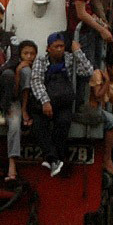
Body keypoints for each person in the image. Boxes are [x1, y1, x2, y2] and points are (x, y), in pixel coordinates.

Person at [29, 33, 94, 178]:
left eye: (62, 46)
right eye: (56, 46)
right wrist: (45, 102)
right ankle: (54, 159)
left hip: (63, 103)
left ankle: (52, 159)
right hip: (44, 103)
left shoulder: (70, 59)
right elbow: (36, 81)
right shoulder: (41, 60)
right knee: (39, 125)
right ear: (48, 48)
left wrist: (77, 52)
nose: (59, 49)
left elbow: (88, 71)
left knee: (63, 122)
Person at [5, 40, 37, 182]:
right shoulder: (14, 68)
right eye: (25, 53)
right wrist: (18, 72)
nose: (29, 57)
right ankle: (12, 164)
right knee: (14, 124)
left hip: (35, 104)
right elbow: (13, 94)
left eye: (32, 54)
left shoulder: (41, 66)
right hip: (17, 103)